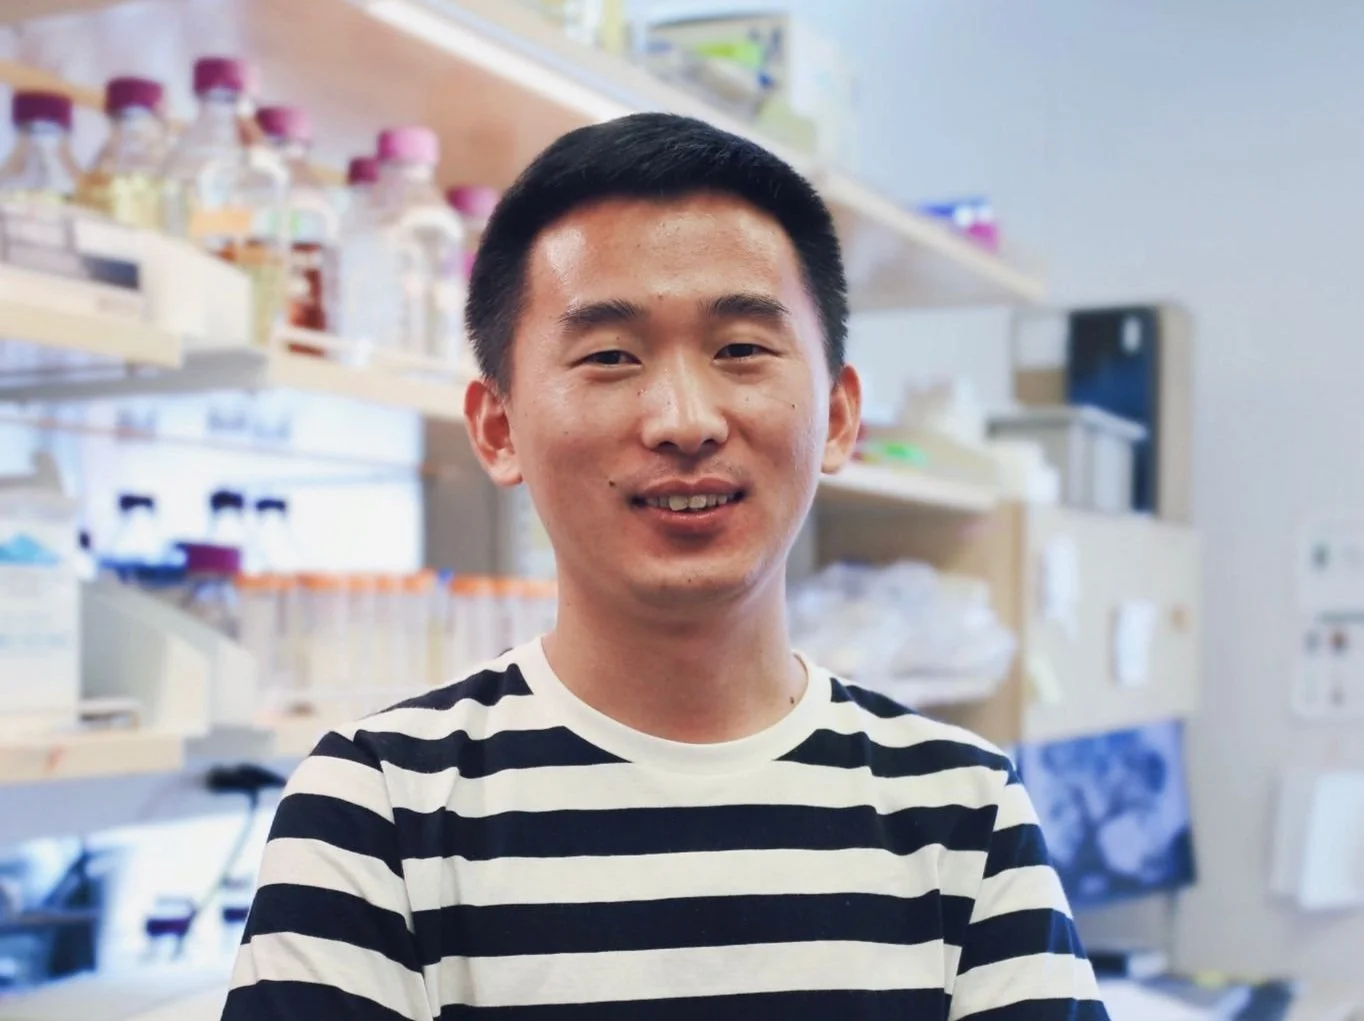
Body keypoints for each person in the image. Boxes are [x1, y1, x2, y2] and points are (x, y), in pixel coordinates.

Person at [222, 112, 1107, 1020]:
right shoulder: (373, 812)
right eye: (610, 355)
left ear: (839, 417)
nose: (685, 420)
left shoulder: (964, 812)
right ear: (497, 427)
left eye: (741, 349)